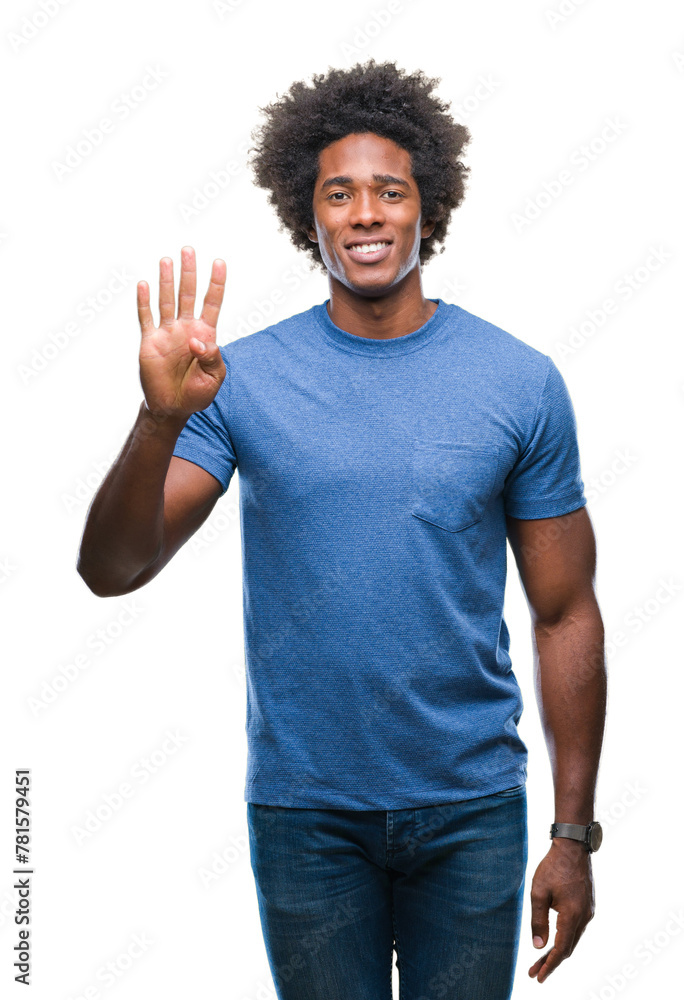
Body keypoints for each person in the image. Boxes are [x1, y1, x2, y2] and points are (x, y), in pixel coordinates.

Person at [77, 58, 607, 1000]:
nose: (365, 213)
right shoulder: (235, 380)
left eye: (390, 191)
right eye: (340, 193)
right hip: (306, 816)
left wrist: (572, 835)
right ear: (307, 214)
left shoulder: (518, 383)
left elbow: (566, 612)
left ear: (427, 211)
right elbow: (113, 571)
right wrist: (159, 421)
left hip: (471, 809)